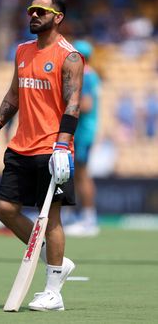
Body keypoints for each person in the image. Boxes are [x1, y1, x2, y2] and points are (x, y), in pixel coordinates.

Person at [0, 0, 84, 311]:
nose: (33, 16)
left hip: (52, 148)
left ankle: (53, 291)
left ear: (58, 18)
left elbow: (74, 104)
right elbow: (14, 95)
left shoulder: (71, 56)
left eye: (41, 11)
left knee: (50, 218)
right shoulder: (22, 51)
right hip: (20, 145)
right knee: (5, 210)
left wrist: (63, 145)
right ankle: (59, 261)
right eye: (31, 11)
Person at [64, 40, 101, 237]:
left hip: (82, 131)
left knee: (81, 174)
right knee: (75, 174)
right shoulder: (92, 74)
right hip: (85, 131)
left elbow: (85, 105)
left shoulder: (85, 75)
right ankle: (78, 216)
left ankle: (88, 219)